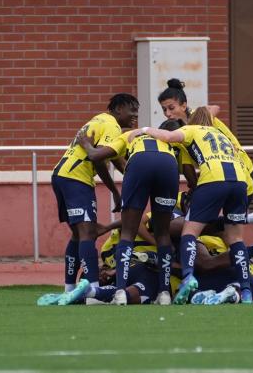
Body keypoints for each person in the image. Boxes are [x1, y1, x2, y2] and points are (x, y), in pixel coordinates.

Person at [130, 107, 253, 304]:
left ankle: (188, 278)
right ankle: (246, 290)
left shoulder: (193, 129)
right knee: (235, 238)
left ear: (193, 121)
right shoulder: (221, 133)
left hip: (213, 178)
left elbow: (169, 136)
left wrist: (144, 129)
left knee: (190, 231)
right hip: (240, 181)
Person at [73, 117, 179, 305]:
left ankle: (120, 291)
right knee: (163, 234)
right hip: (168, 165)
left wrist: (86, 144)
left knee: (128, 233)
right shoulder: (165, 138)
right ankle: (164, 294)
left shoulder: (128, 135)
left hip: (139, 164)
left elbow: (96, 156)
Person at [50, 93, 138, 305]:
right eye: (131, 110)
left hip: (61, 176)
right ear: (117, 110)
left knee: (78, 235)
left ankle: (69, 289)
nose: (135, 115)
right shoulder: (111, 125)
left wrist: (127, 178)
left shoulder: (99, 120)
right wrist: (115, 191)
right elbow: (97, 158)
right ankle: (93, 292)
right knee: (87, 233)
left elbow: (115, 158)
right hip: (76, 179)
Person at [158, 78, 253, 218]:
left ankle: (252, 220)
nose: (167, 114)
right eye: (164, 109)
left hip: (242, 169)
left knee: (229, 224)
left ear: (184, 106)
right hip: (221, 175)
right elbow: (188, 167)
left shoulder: (198, 115)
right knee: (223, 225)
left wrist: (202, 124)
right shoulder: (180, 132)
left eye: (171, 108)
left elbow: (215, 108)